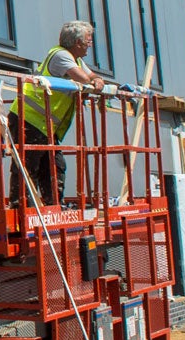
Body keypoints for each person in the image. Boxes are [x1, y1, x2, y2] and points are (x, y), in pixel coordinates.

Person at [6, 19, 108, 207]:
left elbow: (92, 76)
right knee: (29, 165)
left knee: (55, 165)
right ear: (77, 43)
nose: (90, 46)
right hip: (29, 119)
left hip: (44, 124)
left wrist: (98, 79)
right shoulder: (61, 56)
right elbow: (84, 79)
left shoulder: (75, 59)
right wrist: (93, 82)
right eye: (88, 41)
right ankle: (20, 207)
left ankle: (52, 206)